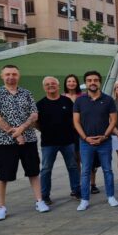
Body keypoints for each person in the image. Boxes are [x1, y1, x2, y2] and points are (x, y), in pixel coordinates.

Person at [0, 65, 49, 220]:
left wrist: (21, 129)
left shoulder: (26, 93)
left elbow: (34, 115)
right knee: (3, 175)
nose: (11, 77)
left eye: (14, 74)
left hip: (28, 140)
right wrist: (14, 133)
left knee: (33, 171)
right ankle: (1, 207)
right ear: (2, 76)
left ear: (18, 76)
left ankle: (39, 201)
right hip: (5, 142)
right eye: (7, 74)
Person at [73, 71, 118, 211]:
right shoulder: (79, 100)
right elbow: (76, 122)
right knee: (86, 171)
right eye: (89, 80)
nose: (92, 82)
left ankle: (111, 197)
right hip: (86, 142)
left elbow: (113, 120)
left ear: (99, 82)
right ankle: (85, 199)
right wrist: (85, 138)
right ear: (85, 83)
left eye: (95, 80)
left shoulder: (108, 100)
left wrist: (105, 136)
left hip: (104, 141)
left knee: (107, 170)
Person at [36, 76, 81, 205]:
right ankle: (44, 195)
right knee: (46, 169)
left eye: (53, 84)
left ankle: (76, 191)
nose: (51, 86)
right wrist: (45, 130)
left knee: (73, 167)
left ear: (58, 86)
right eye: (48, 84)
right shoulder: (40, 104)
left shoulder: (67, 101)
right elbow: (36, 123)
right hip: (49, 143)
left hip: (68, 141)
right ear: (44, 87)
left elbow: (74, 119)